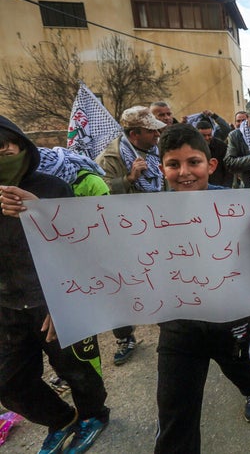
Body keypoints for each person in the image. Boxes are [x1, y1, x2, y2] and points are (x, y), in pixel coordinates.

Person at [153, 124, 250, 454]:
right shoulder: (145, 213)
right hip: (178, 325)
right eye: (174, 164)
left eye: (194, 162)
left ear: (211, 165)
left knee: (242, 364)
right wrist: (39, 213)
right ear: (163, 168)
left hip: (232, 317)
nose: (184, 172)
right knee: (174, 413)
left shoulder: (238, 204)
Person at [0, 116, 110, 454]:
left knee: (77, 371)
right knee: (8, 381)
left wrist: (41, 212)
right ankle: (61, 419)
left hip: (56, 301)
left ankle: (93, 415)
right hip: (8, 307)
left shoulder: (52, 188)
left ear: (21, 147)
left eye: (3, 148)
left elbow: (81, 243)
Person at [96, 105, 167, 365]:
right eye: (151, 131)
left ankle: (169, 326)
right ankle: (125, 336)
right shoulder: (110, 158)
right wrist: (128, 178)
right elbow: (99, 194)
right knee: (122, 287)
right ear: (135, 134)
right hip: (124, 234)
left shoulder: (155, 150)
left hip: (156, 228)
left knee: (161, 279)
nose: (157, 136)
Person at [195, 120, 234, 187]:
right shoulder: (191, 147)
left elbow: (228, 169)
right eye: (203, 135)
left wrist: (226, 187)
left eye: (209, 135)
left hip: (218, 186)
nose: (207, 138)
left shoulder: (221, 146)